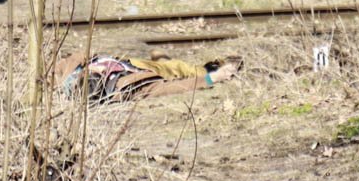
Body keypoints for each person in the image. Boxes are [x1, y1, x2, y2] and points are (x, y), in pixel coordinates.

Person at [54, 51, 242, 103]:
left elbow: (49, 74)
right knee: (178, 68)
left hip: (131, 62)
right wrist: (212, 78)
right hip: (141, 73)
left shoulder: (70, 73)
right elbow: (169, 88)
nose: (98, 71)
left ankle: (160, 56)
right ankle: (212, 67)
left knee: (169, 64)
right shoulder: (123, 88)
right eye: (98, 76)